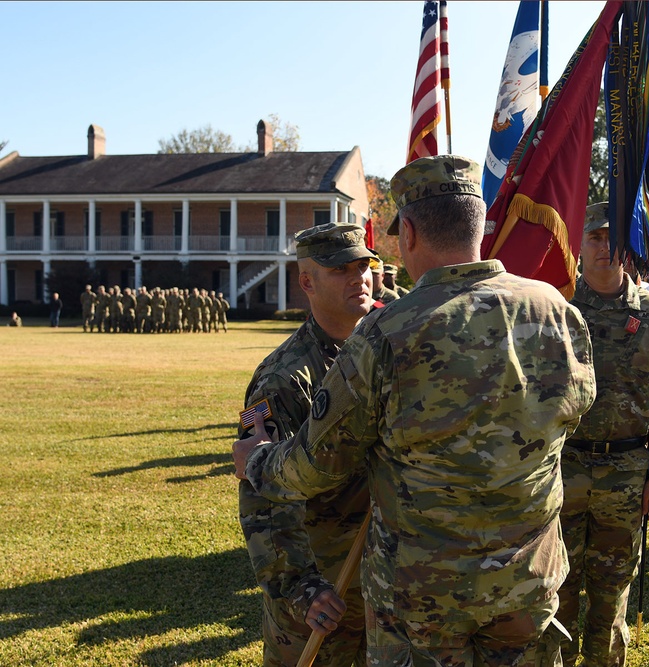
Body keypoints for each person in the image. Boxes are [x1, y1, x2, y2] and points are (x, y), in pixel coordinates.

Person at [234, 154, 596, 666]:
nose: (357, 278)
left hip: (425, 600)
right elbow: (574, 415)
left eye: (364, 265)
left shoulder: (389, 332)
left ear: (406, 233)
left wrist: (256, 461)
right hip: (526, 584)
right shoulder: (558, 313)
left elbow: (315, 464)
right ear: (480, 223)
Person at [558, 203, 649, 666]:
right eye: (594, 237)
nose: (604, 248)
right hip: (562, 470)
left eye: (613, 238)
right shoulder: (557, 306)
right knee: (556, 591)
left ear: (628, 246)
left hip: (627, 476)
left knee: (610, 595)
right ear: (578, 244)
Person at [239, 221, 378, 667]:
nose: (358, 277)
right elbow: (260, 495)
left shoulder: (384, 353)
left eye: (364, 265)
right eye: (340, 269)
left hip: (379, 579)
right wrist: (301, 587)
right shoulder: (280, 378)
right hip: (321, 588)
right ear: (306, 283)